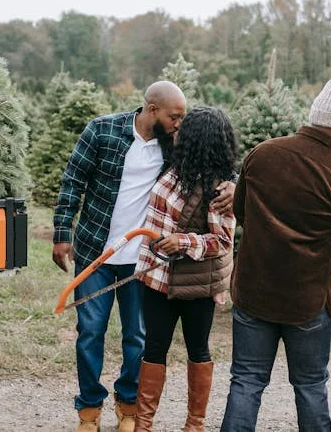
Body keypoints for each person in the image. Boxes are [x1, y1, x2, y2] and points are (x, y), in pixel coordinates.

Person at [220, 76, 331, 432]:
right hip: (308, 302)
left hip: (253, 293)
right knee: (310, 386)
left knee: (246, 381)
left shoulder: (262, 154)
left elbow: (240, 213)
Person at [52, 81, 235, 432]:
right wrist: (61, 234)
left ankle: (129, 406)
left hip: (144, 261)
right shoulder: (102, 131)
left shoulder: (174, 146)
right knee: (90, 331)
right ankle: (89, 410)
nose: (179, 123)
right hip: (96, 252)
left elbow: (213, 161)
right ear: (153, 110)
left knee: (136, 336)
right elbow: (72, 181)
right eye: (174, 116)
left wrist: (234, 184)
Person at [133, 106, 237, 432]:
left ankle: (195, 425)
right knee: (153, 348)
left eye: (184, 128)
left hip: (196, 284)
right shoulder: (174, 169)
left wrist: (183, 242)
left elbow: (221, 241)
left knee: (198, 349)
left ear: (196, 139)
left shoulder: (221, 190)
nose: (176, 130)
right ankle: (143, 425)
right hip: (156, 278)